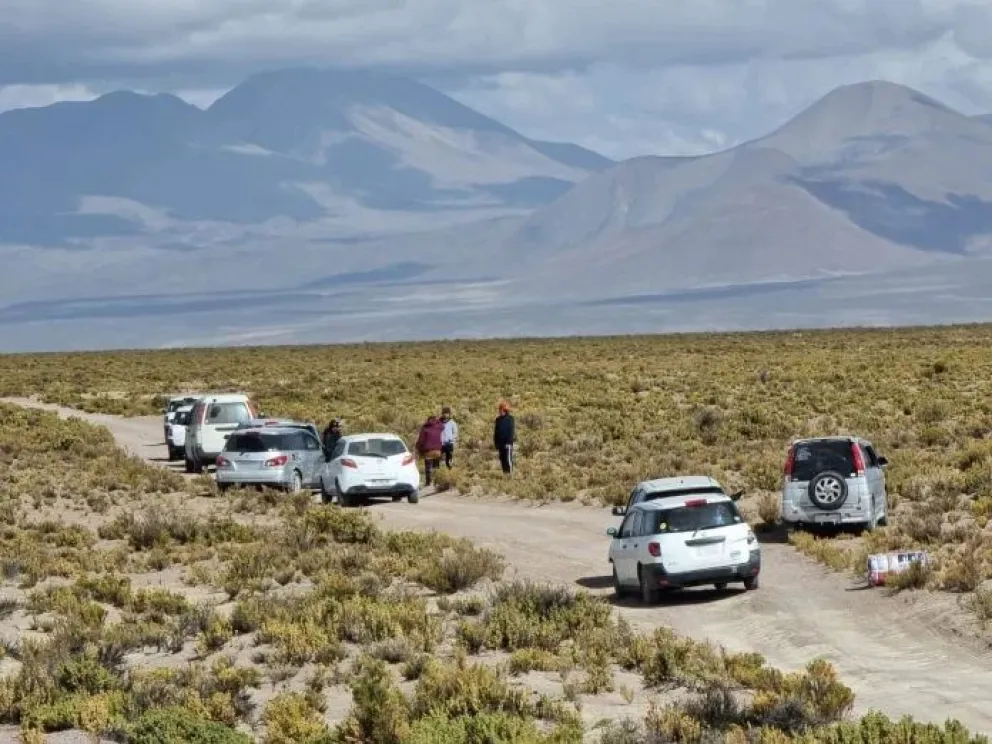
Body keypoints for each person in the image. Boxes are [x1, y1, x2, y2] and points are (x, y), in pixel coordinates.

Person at [416, 414, 444, 487]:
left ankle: (428, 482)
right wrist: (438, 421)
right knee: (436, 467)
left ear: (428, 420)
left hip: (428, 451)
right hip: (438, 450)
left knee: (428, 467)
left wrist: (419, 448)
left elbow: (421, 440)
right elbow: (442, 426)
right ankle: (437, 481)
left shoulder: (425, 427)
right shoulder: (439, 426)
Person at [493, 401, 515, 476]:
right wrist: (496, 442)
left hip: (507, 444)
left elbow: (511, 431)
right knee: (502, 459)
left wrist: (509, 442)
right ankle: (505, 474)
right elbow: (496, 432)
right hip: (500, 444)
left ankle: (510, 475)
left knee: (508, 459)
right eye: (499, 409)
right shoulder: (498, 420)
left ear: (505, 410)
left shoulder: (510, 419)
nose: (499, 411)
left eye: (501, 409)